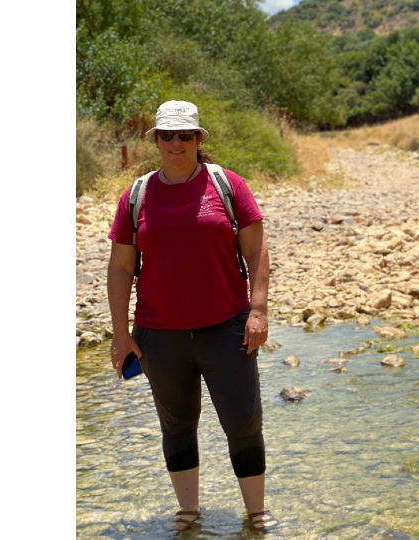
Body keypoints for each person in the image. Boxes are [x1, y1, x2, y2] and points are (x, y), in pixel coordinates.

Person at [106, 100, 277, 532]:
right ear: (157, 140)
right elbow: (121, 266)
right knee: (177, 426)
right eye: (168, 135)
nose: (176, 143)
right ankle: (188, 515)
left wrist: (258, 311)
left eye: (185, 135)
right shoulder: (137, 194)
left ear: (199, 139)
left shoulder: (227, 185)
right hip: (160, 335)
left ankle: (256, 517)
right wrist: (121, 333)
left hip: (227, 327)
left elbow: (256, 250)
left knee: (242, 422)